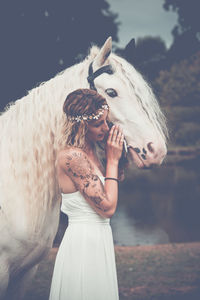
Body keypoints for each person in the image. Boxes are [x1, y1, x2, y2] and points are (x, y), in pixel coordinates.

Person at [49, 88, 124, 300]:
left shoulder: (93, 151)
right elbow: (108, 207)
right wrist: (113, 160)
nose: (105, 127)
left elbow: (110, 188)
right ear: (81, 125)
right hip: (83, 244)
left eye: (106, 121)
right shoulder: (72, 157)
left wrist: (118, 154)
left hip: (100, 238)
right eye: (98, 123)